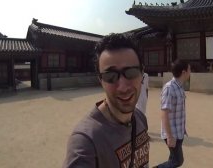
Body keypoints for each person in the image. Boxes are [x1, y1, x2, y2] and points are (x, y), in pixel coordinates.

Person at [62, 33, 150, 168]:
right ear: (100, 80)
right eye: (110, 76)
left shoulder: (140, 118)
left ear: (142, 73)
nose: (123, 87)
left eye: (131, 72)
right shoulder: (86, 141)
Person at [154, 59, 191, 168]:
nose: (190, 72)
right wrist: (169, 136)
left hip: (179, 132)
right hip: (172, 133)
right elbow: (164, 113)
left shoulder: (179, 86)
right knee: (177, 161)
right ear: (184, 72)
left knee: (173, 159)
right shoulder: (170, 88)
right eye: (189, 70)